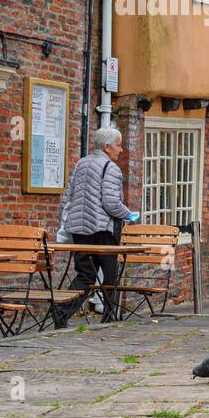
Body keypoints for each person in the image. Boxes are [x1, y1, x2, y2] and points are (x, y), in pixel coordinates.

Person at [57, 126, 133, 320]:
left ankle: (61, 312)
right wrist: (130, 215)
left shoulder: (81, 164)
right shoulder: (111, 168)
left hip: (79, 231)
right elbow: (111, 203)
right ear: (107, 147)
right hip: (102, 232)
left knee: (85, 275)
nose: (121, 150)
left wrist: (67, 222)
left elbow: (67, 199)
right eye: (118, 145)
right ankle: (109, 317)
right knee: (109, 277)